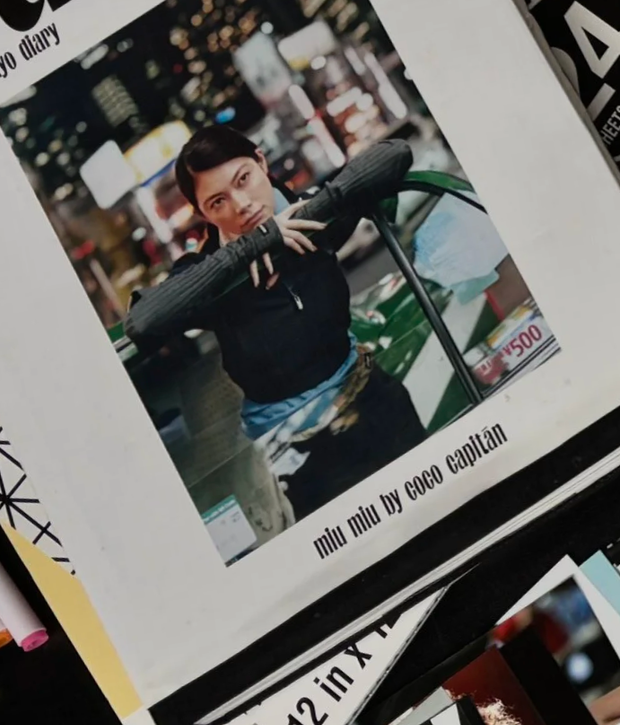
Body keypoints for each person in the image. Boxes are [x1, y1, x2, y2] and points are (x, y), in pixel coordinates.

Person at [122, 126, 426, 519]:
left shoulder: (308, 215)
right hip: (294, 453)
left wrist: (303, 219)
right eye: (217, 202)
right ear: (202, 214)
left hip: (374, 399)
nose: (242, 205)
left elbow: (395, 153)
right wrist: (252, 246)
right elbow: (143, 321)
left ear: (261, 162)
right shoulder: (208, 274)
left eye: (243, 179)